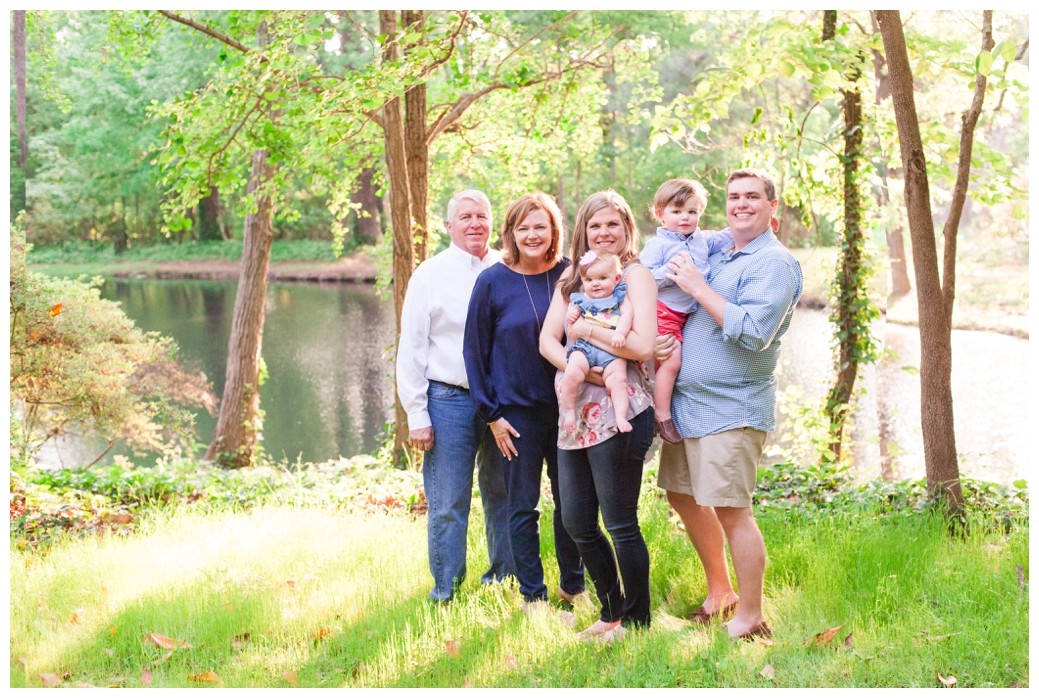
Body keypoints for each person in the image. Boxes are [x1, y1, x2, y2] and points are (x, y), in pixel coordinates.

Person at [657, 169, 803, 640]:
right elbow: (674, 229)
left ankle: (751, 617)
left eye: (753, 197)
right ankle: (721, 593)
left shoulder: (775, 263)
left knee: (732, 509)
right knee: (682, 495)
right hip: (688, 406)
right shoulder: (722, 249)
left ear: (772, 207)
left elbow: (754, 332)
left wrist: (698, 286)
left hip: (732, 408)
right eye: (734, 196)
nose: (741, 204)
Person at [539, 190, 656, 643]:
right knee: (576, 522)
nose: (604, 233)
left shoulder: (635, 277)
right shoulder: (572, 276)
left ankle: (638, 621)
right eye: (595, 225)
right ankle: (610, 612)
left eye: (613, 224)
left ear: (627, 228)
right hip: (574, 417)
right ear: (583, 231)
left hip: (619, 412)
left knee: (620, 521)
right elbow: (549, 339)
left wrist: (586, 332)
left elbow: (643, 346)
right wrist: (575, 365)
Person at [462, 192, 585, 609]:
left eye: (541, 226)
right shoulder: (492, 281)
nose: (533, 235)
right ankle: (533, 596)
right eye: (523, 227)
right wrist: (492, 416)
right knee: (522, 507)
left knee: (571, 503)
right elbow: (473, 355)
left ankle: (574, 587)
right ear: (511, 233)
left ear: (554, 231)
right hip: (516, 415)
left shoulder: (571, 275)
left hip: (569, 409)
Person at [395, 189, 514, 603]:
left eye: (482, 215)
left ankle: (503, 580)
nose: (475, 223)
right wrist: (416, 412)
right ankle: (446, 590)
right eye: (465, 216)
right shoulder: (430, 273)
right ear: (449, 226)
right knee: (448, 501)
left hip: (502, 402)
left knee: (504, 494)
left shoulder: (507, 266)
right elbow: (411, 345)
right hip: (449, 399)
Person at [639, 178, 732, 444]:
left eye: (692, 212)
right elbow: (641, 279)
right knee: (671, 361)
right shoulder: (659, 246)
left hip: (685, 315)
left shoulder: (701, 239)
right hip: (664, 310)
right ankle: (662, 416)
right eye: (677, 212)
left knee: (675, 362)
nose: (685, 218)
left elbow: (725, 237)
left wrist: (753, 230)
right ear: (660, 214)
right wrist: (672, 273)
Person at [560, 250, 633, 436]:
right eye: (589, 280)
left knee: (618, 380)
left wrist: (620, 333)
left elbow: (627, 316)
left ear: (616, 278)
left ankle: (620, 416)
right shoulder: (581, 299)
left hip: (611, 350)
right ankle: (569, 411)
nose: (595, 284)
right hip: (585, 348)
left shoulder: (619, 297)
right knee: (572, 372)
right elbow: (571, 315)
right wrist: (572, 314)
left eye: (602, 278)